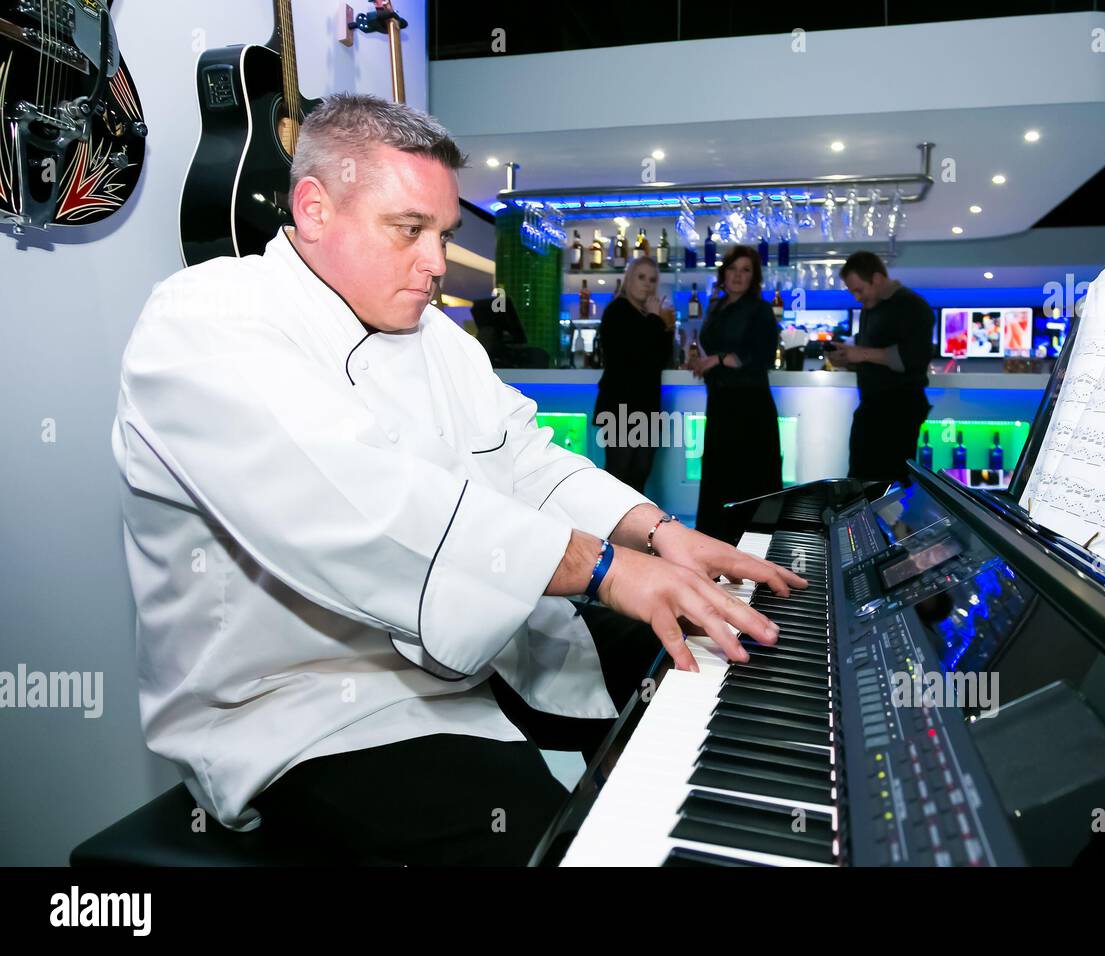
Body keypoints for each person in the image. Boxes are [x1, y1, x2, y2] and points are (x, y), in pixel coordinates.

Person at [110, 94, 805, 866]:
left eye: (441, 234)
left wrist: (661, 535)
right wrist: (607, 570)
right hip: (306, 705)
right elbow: (365, 513)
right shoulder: (206, 320)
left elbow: (525, 460)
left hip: (473, 645)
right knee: (542, 838)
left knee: (707, 650)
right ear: (313, 208)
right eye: (409, 230)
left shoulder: (435, 337)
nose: (438, 263)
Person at [689, 245, 783, 539]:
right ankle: (714, 547)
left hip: (749, 404)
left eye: (746, 270)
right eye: (733, 268)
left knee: (750, 480)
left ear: (754, 276)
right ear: (723, 272)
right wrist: (703, 361)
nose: (738, 276)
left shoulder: (759, 309)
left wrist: (717, 359)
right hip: (720, 401)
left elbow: (762, 356)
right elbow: (715, 349)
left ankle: (750, 550)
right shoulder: (717, 306)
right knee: (719, 477)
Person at [827, 251, 934, 483]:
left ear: (876, 279)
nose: (857, 297)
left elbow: (912, 358)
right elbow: (874, 357)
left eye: (859, 290)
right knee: (861, 479)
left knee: (886, 483)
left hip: (898, 409)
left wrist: (861, 353)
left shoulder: (912, 305)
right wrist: (848, 358)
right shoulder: (870, 308)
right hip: (873, 406)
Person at [593, 257, 675, 492]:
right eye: (641, 277)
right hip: (621, 405)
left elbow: (660, 360)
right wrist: (655, 319)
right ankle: (607, 529)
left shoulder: (648, 316)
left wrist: (666, 326)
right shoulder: (616, 311)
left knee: (640, 475)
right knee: (619, 475)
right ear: (629, 279)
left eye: (652, 279)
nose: (647, 284)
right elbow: (632, 357)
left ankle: (634, 529)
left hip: (647, 405)